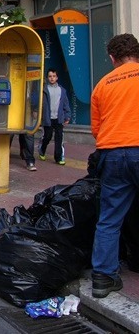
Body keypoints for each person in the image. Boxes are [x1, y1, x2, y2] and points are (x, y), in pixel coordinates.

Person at [89, 33, 139, 298]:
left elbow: (97, 129)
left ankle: (103, 278)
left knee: (109, 219)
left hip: (111, 153)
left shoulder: (102, 85)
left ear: (112, 58)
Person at [38, 69, 71, 164]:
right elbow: (39, 102)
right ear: (47, 78)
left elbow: (65, 104)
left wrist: (67, 116)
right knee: (47, 136)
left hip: (59, 118)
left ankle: (59, 158)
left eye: (53, 76)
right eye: (50, 76)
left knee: (59, 138)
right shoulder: (44, 89)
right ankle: (42, 149)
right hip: (48, 118)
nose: (52, 78)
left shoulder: (62, 90)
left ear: (57, 77)